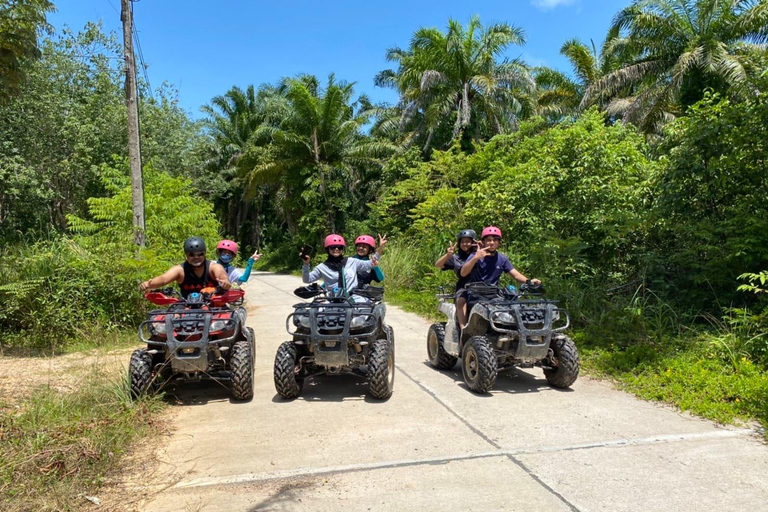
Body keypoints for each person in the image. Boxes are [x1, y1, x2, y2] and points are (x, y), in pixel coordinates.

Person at [460, 225, 540, 300]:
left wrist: (529, 282)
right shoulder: (475, 255)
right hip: (476, 294)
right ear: (483, 242)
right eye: (489, 240)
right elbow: (463, 273)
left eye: (495, 240)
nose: (492, 242)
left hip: (494, 294)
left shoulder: (502, 258)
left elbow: (515, 275)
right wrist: (475, 258)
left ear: (499, 242)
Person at [301, 234, 387, 301]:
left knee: (366, 316)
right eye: (333, 247)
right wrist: (306, 264)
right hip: (332, 299)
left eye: (340, 247)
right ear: (327, 249)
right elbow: (307, 279)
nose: (336, 249)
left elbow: (371, 262)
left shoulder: (352, 262)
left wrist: (380, 249)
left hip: (353, 298)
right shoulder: (322, 267)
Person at [139, 237, 231, 298]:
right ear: (186, 255)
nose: (196, 257)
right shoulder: (180, 270)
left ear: (205, 254)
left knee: (227, 323)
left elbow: (223, 277)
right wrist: (149, 284)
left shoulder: (213, 267)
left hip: (212, 306)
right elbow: (163, 278)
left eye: (200, 254)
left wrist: (225, 283)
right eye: (191, 255)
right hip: (185, 307)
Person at [435, 229, 477, 329]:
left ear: (473, 242)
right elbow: (438, 265)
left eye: (467, 241)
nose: (465, 244)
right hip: (464, 287)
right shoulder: (456, 258)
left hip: (481, 286)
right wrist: (448, 255)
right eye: (462, 241)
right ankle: (463, 329)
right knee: (461, 300)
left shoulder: (480, 255)